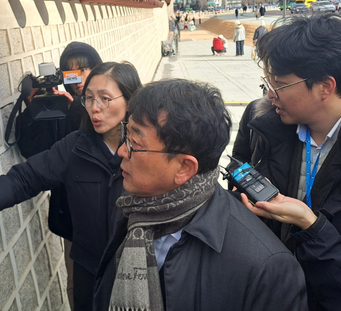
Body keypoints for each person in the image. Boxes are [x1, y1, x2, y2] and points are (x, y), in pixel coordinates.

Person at [0, 62, 142, 311]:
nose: (95, 108)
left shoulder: (149, 150)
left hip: (137, 270)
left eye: (105, 99)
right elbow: (26, 178)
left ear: (130, 100)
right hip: (89, 270)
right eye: (89, 98)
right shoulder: (75, 148)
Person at [93, 79, 308, 311]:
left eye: (135, 142)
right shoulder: (135, 208)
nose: (122, 151)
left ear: (185, 168)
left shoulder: (267, 269)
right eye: (126, 135)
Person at [230, 12, 341, 310]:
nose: (270, 93)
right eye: (266, 81)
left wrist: (310, 226)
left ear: (325, 87)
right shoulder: (261, 120)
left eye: (279, 84)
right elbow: (238, 169)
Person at [17, 41, 102, 308]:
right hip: (74, 217)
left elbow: (99, 142)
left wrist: (77, 108)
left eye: (84, 70)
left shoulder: (112, 99)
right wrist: (33, 111)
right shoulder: (61, 106)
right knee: (77, 286)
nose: (78, 79)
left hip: (112, 211)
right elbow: (33, 150)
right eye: (70, 73)